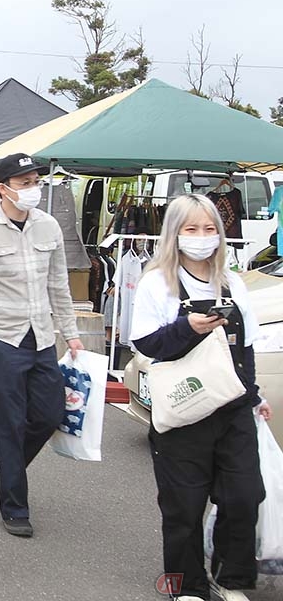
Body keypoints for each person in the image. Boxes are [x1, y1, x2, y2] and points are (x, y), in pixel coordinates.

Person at [131, 194, 271, 601]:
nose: (201, 237)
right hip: (183, 409)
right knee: (183, 505)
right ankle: (186, 585)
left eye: (209, 228)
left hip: (232, 407)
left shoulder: (232, 282)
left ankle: (230, 579)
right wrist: (187, 328)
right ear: (174, 234)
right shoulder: (157, 282)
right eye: (191, 229)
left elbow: (245, 347)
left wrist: (253, 396)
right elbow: (146, 344)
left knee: (245, 495)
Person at [0, 153, 82, 538]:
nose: (33, 189)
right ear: (2, 189)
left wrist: (71, 332)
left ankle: (1, 461)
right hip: (2, 339)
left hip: (42, 336)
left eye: (35, 182)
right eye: (24, 183)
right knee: (10, 422)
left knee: (49, 413)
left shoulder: (48, 226)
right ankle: (14, 505)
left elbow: (58, 284)